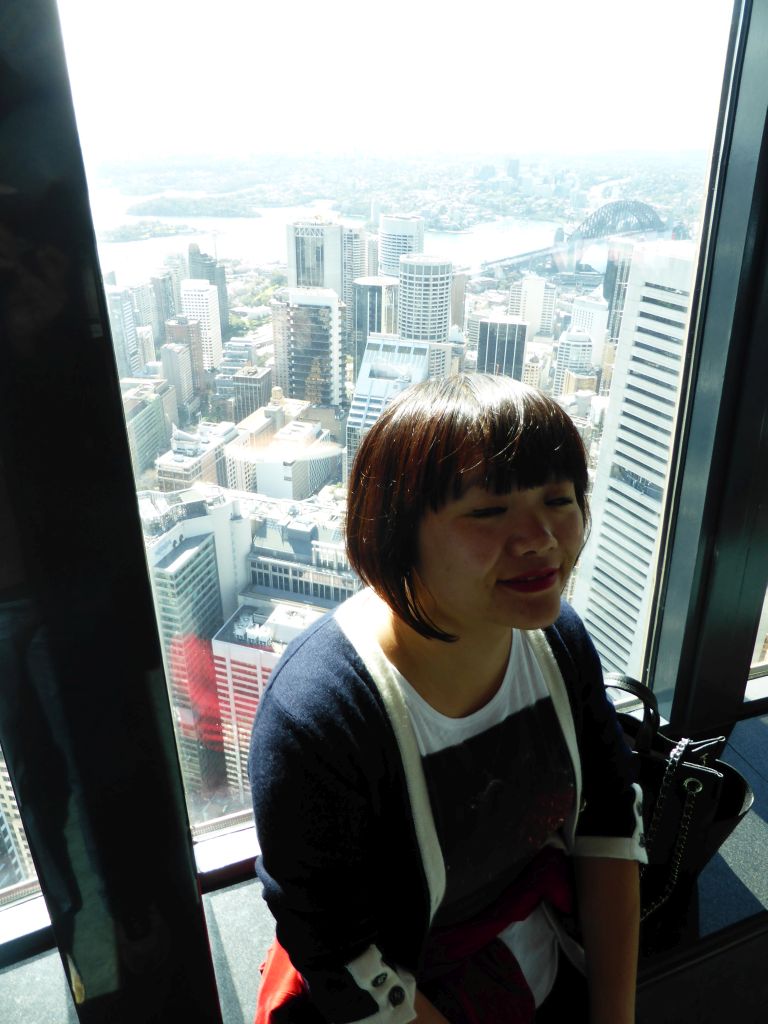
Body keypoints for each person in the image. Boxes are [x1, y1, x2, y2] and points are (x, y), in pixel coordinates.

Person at [249, 373, 646, 1024]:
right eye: (488, 511)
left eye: (559, 498)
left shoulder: (556, 639)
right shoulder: (321, 717)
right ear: (395, 533)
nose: (539, 537)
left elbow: (609, 821)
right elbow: (341, 952)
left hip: (538, 967)